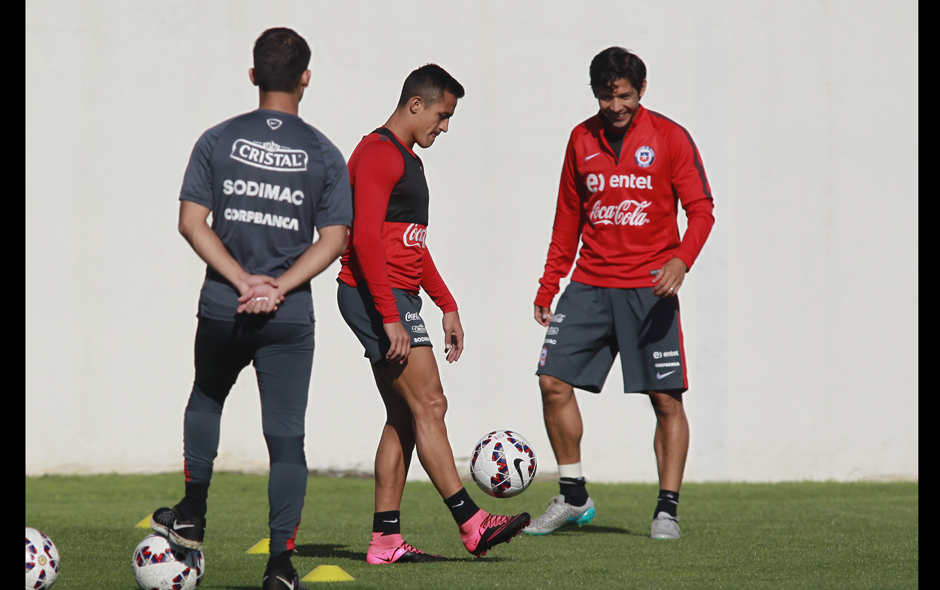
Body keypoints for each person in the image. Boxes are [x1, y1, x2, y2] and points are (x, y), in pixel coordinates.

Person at [149, 28, 352, 590]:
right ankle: (280, 565)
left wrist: (241, 279)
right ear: (305, 78)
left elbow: (191, 223)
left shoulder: (217, 139)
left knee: (207, 395)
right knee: (286, 438)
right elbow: (334, 239)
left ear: (254, 75)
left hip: (224, 305)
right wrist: (278, 286)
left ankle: (192, 512)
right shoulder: (325, 153)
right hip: (287, 317)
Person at [336, 64, 531, 564]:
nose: (444, 127)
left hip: (395, 296)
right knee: (431, 403)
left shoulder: (407, 160)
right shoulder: (378, 153)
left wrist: (447, 303)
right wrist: (389, 314)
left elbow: (411, 247)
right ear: (415, 104)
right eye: (442, 116)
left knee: (404, 416)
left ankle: (385, 542)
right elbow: (364, 239)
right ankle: (472, 523)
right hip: (376, 296)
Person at [525, 47, 715, 540]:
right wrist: (549, 282)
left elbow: (701, 210)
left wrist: (681, 260)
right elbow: (567, 217)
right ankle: (573, 496)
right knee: (552, 382)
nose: (615, 107)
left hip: (649, 291)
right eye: (606, 97)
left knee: (666, 399)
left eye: (625, 96)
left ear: (642, 90)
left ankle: (667, 510)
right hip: (589, 285)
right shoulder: (580, 138)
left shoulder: (670, 137)